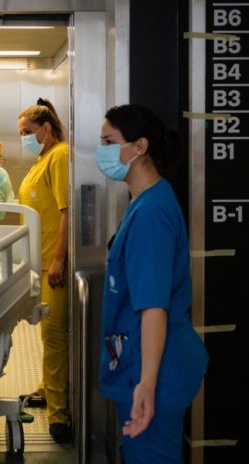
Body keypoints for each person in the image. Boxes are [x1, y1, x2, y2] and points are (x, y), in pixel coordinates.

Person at [97, 105, 207, 463]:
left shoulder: (151, 215)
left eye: (109, 142)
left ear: (139, 146)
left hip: (157, 368)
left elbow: (153, 307)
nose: (102, 151)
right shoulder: (146, 201)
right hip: (148, 362)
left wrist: (147, 384)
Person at [16, 97, 70, 443]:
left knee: (55, 337)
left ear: (45, 129)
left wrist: (59, 259)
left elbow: (67, 211)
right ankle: (48, 388)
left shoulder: (60, 156)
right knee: (48, 335)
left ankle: (59, 415)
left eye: (26, 132)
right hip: (41, 263)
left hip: (54, 265)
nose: (22, 138)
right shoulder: (43, 159)